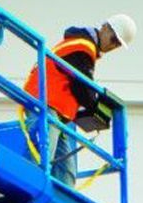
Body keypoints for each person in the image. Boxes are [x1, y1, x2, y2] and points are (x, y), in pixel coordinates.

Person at [22, 14, 137, 186]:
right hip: (46, 104)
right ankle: (27, 188)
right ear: (105, 27)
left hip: (57, 111)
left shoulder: (81, 46)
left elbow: (79, 85)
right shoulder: (82, 46)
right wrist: (96, 107)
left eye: (118, 44)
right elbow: (81, 86)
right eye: (114, 39)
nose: (113, 45)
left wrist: (93, 106)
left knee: (66, 174)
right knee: (41, 159)